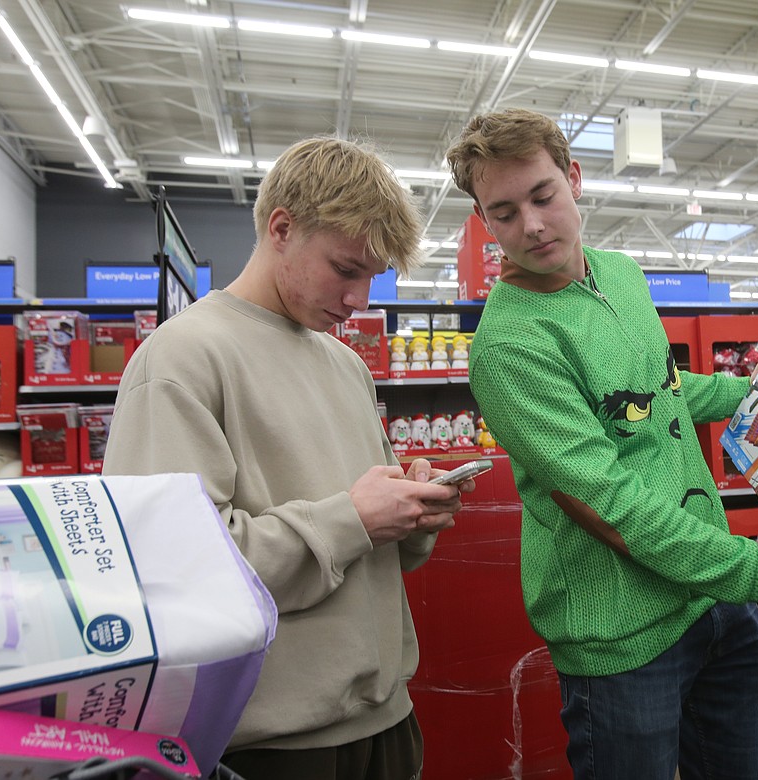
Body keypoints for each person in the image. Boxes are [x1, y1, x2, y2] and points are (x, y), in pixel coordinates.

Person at [446, 108, 758, 780]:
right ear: (486, 222)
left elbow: (656, 390)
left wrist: (750, 391)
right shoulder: (510, 348)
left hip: (717, 601)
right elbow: (610, 505)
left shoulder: (621, 275)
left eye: (543, 196)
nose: (533, 225)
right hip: (624, 642)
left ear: (573, 179)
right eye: (505, 212)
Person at [102, 136, 471, 780]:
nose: (360, 299)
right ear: (281, 228)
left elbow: (371, 534)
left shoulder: (346, 365)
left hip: (385, 721)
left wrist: (413, 510)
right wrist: (352, 519)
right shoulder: (182, 360)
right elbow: (168, 573)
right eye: (346, 269)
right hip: (273, 745)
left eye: (372, 276)